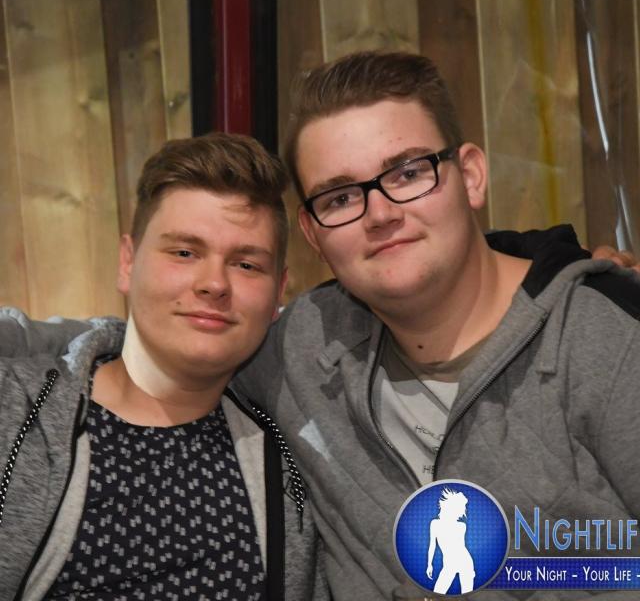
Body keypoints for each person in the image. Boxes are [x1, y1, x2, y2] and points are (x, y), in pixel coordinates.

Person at [3, 52, 640, 601]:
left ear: (469, 175)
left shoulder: (605, 337)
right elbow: (170, 337)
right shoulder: (304, 345)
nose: (380, 213)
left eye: (407, 172)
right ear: (313, 232)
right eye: (340, 196)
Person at [0, 133, 328, 601]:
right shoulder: (15, 411)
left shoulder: (292, 456)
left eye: (246, 265)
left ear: (278, 291)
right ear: (127, 263)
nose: (214, 283)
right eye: (184, 253)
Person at [426, 488, 474, 594]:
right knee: (438, 592)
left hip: (465, 562)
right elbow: (432, 545)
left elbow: (461, 547)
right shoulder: (435, 524)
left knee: (468, 595)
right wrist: (429, 564)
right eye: (461, 508)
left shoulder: (462, 526)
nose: (463, 511)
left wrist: (470, 571)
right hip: (449, 564)